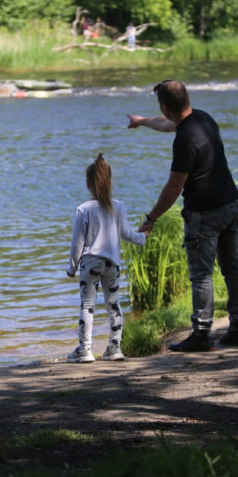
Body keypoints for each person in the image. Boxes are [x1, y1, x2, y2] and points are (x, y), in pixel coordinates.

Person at [127, 80, 238, 351]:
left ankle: (203, 335)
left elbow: (174, 187)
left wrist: (151, 218)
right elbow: (167, 124)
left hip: (205, 213)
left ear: (165, 106)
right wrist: (141, 121)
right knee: (233, 267)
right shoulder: (202, 119)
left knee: (201, 274)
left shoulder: (184, 140)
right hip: (232, 204)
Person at [66, 154, 148, 363]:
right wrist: (143, 238)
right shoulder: (118, 207)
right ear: (110, 183)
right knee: (113, 304)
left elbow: (78, 244)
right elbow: (127, 234)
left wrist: (72, 267)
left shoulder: (83, 209)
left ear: (87, 184)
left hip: (90, 263)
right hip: (112, 264)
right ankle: (115, 347)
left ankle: (85, 350)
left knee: (87, 305)